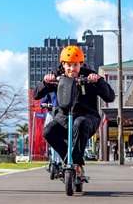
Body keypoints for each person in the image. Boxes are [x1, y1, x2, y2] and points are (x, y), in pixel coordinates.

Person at [33, 45, 115, 177]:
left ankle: (77, 164)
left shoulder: (89, 75)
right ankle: (69, 161)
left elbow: (110, 97)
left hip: (88, 117)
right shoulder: (56, 76)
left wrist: (98, 81)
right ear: (63, 64)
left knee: (79, 123)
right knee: (48, 132)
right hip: (64, 116)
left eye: (76, 65)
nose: (72, 69)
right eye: (69, 65)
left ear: (81, 64)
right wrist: (46, 82)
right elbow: (36, 95)